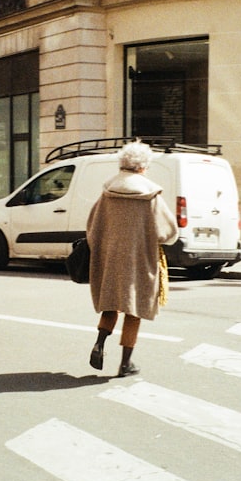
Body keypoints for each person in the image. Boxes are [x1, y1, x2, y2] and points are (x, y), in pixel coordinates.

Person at [86, 141, 178, 377]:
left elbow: (93, 228)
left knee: (110, 304)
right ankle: (125, 363)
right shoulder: (151, 195)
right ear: (143, 167)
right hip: (139, 259)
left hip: (110, 258)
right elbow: (167, 231)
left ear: (122, 164)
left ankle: (99, 343)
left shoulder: (107, 192)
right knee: (133, 309)